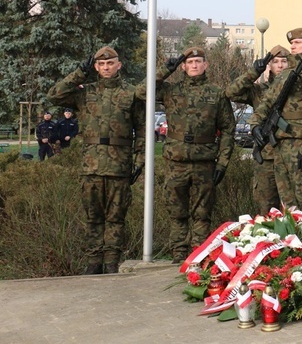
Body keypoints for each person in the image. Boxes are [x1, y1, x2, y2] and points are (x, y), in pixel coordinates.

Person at [47, 46, 145, 274]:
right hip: (91, 165)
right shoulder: (85, 92)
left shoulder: (130, 94)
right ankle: (93, 262)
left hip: (119, 165)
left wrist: (139, 160)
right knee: (92, 217)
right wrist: (79, 74)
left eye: (110, 63)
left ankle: (111, 261)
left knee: (116, 217)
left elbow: (141, 129)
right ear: (96, 67)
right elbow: (54, 94)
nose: (106, 68)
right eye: (101, 64)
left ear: (119, 65)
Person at [137, 47, 236, 264]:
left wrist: (223, 163)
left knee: (202, 213)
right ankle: (178, 255)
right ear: (183, 66)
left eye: (198, 61)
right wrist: (164, 71)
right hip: (176, 161)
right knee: (177, 211)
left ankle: (198, 256)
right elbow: (142, 92)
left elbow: (229, 129)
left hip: (205, 162)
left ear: (205, 65)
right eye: (189, 62)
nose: (194, 65)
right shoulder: (171, 90)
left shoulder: (216, 93)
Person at [250, 28, 302, 214]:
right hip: (280, 145)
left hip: (300, 144)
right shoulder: (285, 74)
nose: (292, 46)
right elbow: (267, 102)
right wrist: (255, 124)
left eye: (298, 42)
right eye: (292, 43)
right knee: (288, 204)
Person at [226, 45, 289, 215]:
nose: (280, 65)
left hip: (290, 156)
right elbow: (231, 92)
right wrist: (253, 72)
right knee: (266, 209)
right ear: (270, 66)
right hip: (266, 156)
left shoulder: (296, 91)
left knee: (293, 210)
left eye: (284, 61)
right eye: (276, 62)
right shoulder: (259, 91)